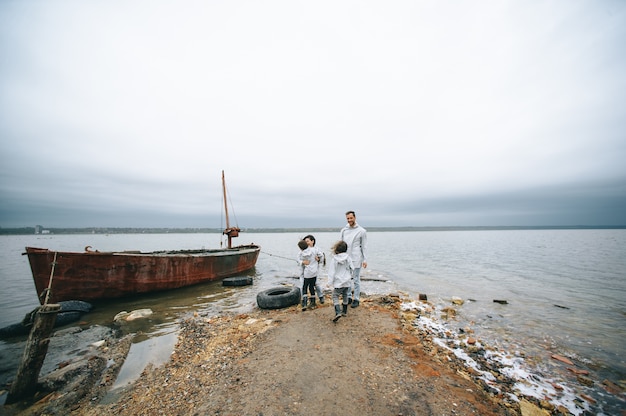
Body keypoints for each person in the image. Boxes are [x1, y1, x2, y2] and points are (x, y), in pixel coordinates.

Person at [340, 210, 368, 308]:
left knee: (356, 279)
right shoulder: (344, 230)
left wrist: (365, 260)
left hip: (357, 257)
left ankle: (356, 299)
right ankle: (348, 297)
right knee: (347, 278)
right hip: (346, 258)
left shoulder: (361, 231)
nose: (349, 220)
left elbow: (364, 246)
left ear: (355, 218)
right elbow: (341, 244)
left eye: (351, 218)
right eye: (347, 218)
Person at [327, 240, 353, 322]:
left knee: (335, 296)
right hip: (347, 281)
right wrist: (350, 276)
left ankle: (338, 312)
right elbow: (352, 268)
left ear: (337, 249)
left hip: (338, 282)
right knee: (345, 295)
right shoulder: (348, 258)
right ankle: (344, 311)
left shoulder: (335, 259)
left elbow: (332, 272)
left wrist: (329, 282)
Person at [303, 234, 325, 304]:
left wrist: (318, 259)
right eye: (305, 242)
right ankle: (309, 299)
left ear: (312, 241)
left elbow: (322, 258)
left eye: (308, 241)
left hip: (315, 270)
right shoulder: (304, 251)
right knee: (308, 285)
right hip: (307, 271)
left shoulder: (317, 249)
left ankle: (321, 297)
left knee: (316, 284)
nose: (306, 243)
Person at [297, 239, 317, 311]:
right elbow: (320, 255)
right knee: (312, 287)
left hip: (307, 273)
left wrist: (302, 262)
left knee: (305, 287)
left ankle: (304, 303)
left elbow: (298, 261)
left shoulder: (300, 253)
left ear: (300, 248)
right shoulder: (313, 250)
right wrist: (317, 258)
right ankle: (313, 302)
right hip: (314, 272)